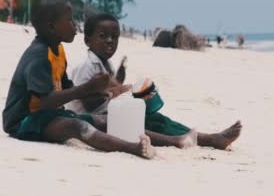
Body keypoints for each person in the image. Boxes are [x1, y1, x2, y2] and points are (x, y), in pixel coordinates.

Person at [2, 0, 155, 159]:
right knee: (78, 126)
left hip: (48, 114)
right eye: (69, 20)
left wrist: (100, 91)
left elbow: (67, 88)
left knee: (104, 121)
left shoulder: (58, 50)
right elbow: (45, 100)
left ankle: (176, 140)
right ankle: (134, 148)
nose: (75, 24)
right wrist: (87, 88)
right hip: (24, 122)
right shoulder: (39, 56)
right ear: (51, 27)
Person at [68, 13, 243, 149]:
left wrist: (124, 84)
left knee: (156, 117)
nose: (110, 41)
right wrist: (118, 92)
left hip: (107, 111)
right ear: (87, 40)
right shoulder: (86, 66)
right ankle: (183, 140)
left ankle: (204, 137)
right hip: (89, 118)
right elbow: (90, 104)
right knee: (139, 123)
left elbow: (112, 87)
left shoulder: (105, 63)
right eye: (103, 36)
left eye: (114, 37)